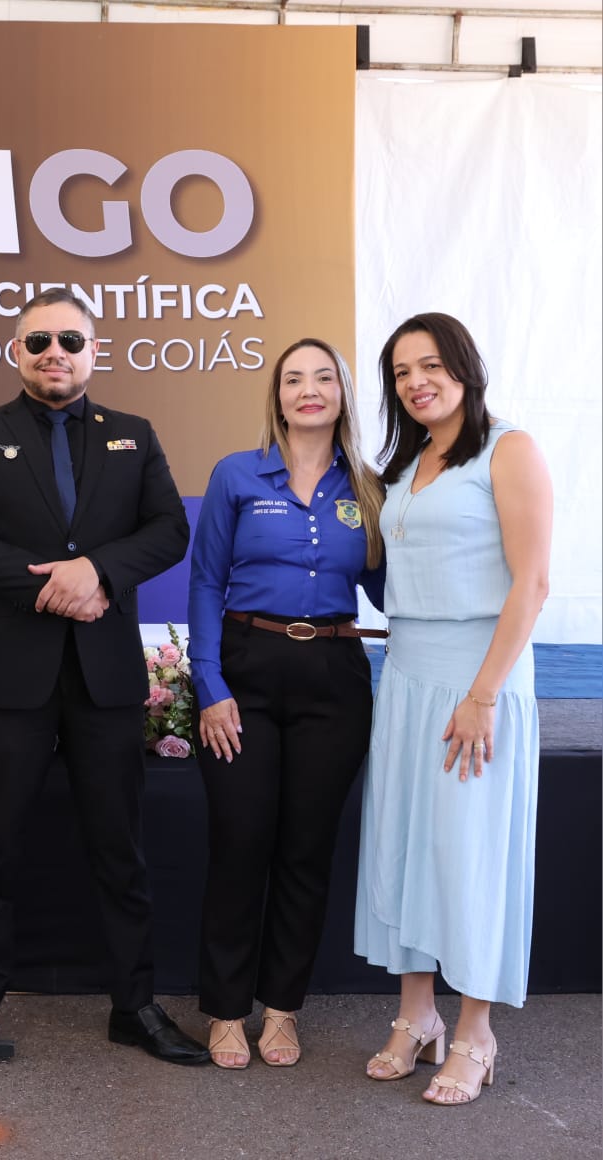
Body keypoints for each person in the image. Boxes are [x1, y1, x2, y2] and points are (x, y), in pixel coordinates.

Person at [0, 288, 207, 1064]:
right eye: (38, 341)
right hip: (11, 676)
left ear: (93, 351)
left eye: (70, 341)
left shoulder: (133, 434)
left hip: (102, 679)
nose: (54, 352)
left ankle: (134, 1007)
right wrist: (54, 586)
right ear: (15, 353)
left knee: (119, 850)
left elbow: (168, 530)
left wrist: (98, 571)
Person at [355, 312, 551, 1105]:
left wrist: (482, 694)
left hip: (478, 678)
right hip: (405, 674)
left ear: (465, 368)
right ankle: (416, 1016)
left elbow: (532, 582)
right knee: (406, 845)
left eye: (430, 365)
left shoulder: (509, 449)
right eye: (401, 372)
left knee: (468, 854)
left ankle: (475, 1030)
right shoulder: (405, 464)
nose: (415, 382)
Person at [187, 338, 386, 1069]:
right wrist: (210, 686)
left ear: (341, 394)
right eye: (293, 378)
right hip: (245, 669)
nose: (308, 389)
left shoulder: (367, 488)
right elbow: (205, 582)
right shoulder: (237, 474)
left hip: (334, 675)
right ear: (277, 396)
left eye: (323, 377)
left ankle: (280, 1011)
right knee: (240, 841)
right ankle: (223, 1012)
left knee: (306, 850)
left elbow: (392, 588)